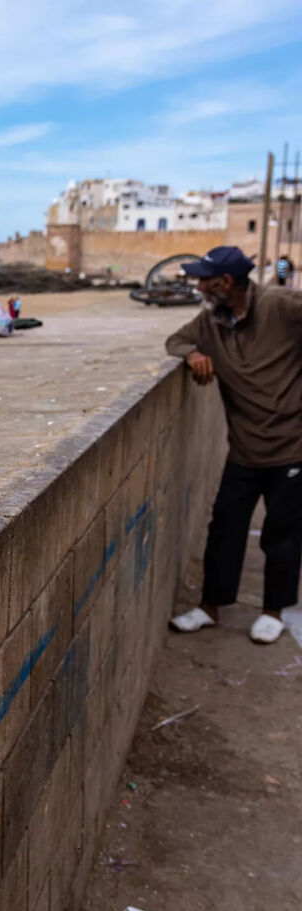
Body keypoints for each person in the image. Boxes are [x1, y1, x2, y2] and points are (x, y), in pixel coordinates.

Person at [165, 245, 302, 644]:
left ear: (225, 282)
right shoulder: (211, 322)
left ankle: (273, 611)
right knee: (224, 527)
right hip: (244, 449)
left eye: (204, 278)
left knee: (283, 534)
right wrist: (192, 354)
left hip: (291, 448)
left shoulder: (281, 306)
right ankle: (211, 606)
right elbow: (174, 340)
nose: (198, 284)